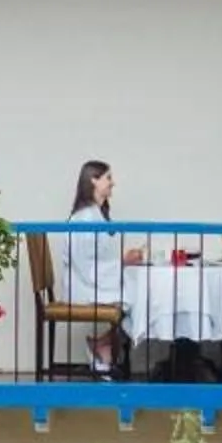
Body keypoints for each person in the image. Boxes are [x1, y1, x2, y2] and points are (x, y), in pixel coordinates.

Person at [63, 160, 140, 376]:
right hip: (83, 285)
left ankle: (102, 345)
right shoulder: (84, 218)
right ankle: (102, 347)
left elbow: (97, 259)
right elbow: (84, 264)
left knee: (138, 293)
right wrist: (123, 262)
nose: (112, 183)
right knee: (137, 296)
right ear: (93, 180)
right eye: (108, 178)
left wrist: (122, 262)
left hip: (91, 280)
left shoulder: (95, 215)